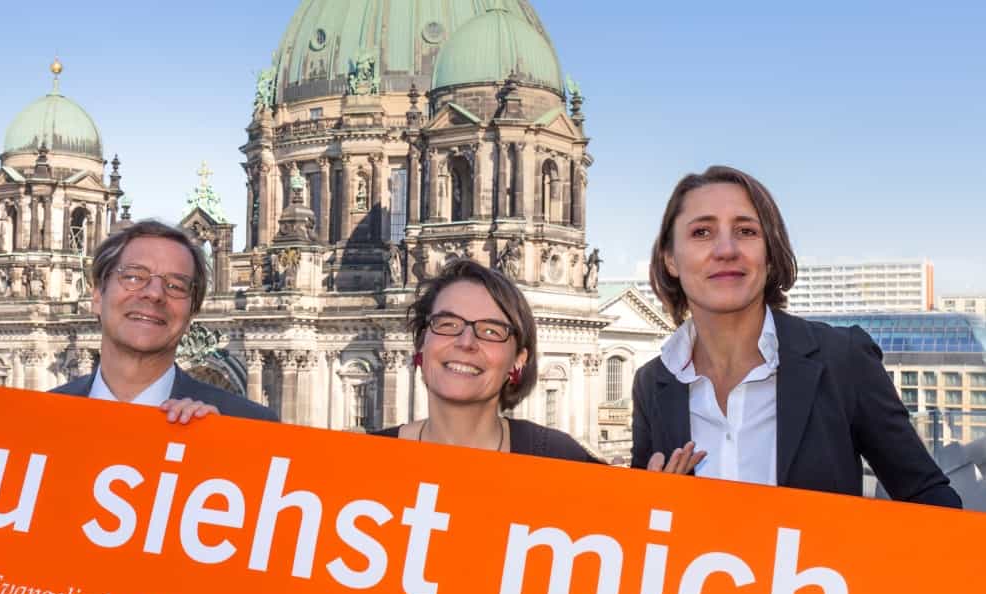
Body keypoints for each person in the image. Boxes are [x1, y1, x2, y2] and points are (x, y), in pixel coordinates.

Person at [631, 165, 960, 507]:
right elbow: (637, 533)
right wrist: (653, 502)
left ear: (770, 255)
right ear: (670, 258)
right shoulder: (652, 384)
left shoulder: (842, 359)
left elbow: (928, 497)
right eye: (701, 232)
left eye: (746, 231)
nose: (726, 249)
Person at [51, 220, 277, 424]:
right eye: (134, 277)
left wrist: (223, 454)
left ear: (192, 315)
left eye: (175, 286)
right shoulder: (34, 419)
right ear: (97, 296)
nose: (154, 294)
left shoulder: (250, 425)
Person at [374, 259, 592, 461]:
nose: (465, 342)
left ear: (518, 360)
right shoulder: (361, 461)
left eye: (491, 331)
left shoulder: (562, 459)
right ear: (421, 343)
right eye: (447, 324)